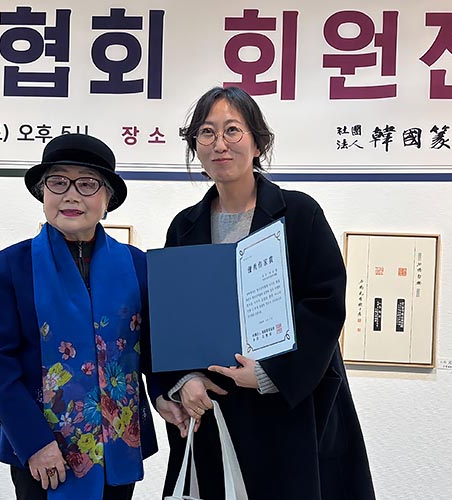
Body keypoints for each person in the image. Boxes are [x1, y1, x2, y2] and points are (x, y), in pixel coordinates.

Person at [157, 87, 376, 500]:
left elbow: (325, 305)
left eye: (232, 130)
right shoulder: (184, 226)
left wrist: (269, 373)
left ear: (258, 143)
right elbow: (169, 316)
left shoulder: (300, 213)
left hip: (286, 406)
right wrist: (182, 380)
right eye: (206, 133)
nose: (219, 144)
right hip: (215, 406)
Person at [0, 133, 179, 500]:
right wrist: (34, 442)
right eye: (58, 182)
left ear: (108, 198)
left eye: (87, 184)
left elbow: (153, 350)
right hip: (41, 453)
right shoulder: (14, 267)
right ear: (43, 192)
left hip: (117, 444)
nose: (71, 195)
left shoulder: (138, 266)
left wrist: (165, 393)